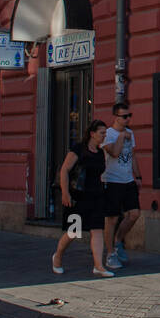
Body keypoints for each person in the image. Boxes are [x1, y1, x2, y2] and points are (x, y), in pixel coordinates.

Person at [51, 119, 113, 277]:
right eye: (102, 133)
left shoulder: (100, 152)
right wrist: (65, 193)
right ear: (92, 134)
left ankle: (98, 266)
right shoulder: (79, 149)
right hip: (78, 196)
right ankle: (57, 257)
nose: (105, 135)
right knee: (73, 231)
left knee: (97, 229)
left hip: (96, 195)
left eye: (105, 133)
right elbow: (65, 170)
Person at [102, 102, 140, 270]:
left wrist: (137, 176)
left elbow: (132, 156)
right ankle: (110, 254)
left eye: (129, 116)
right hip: (112, 181)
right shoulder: (108, 134)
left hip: (128, 180)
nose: (127, 119)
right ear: (115, 117)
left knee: (134, 214)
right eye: (124, 116)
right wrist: (120, 137)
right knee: (112, 219)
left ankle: (118, 241)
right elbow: (115, 153)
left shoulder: (130, 133)